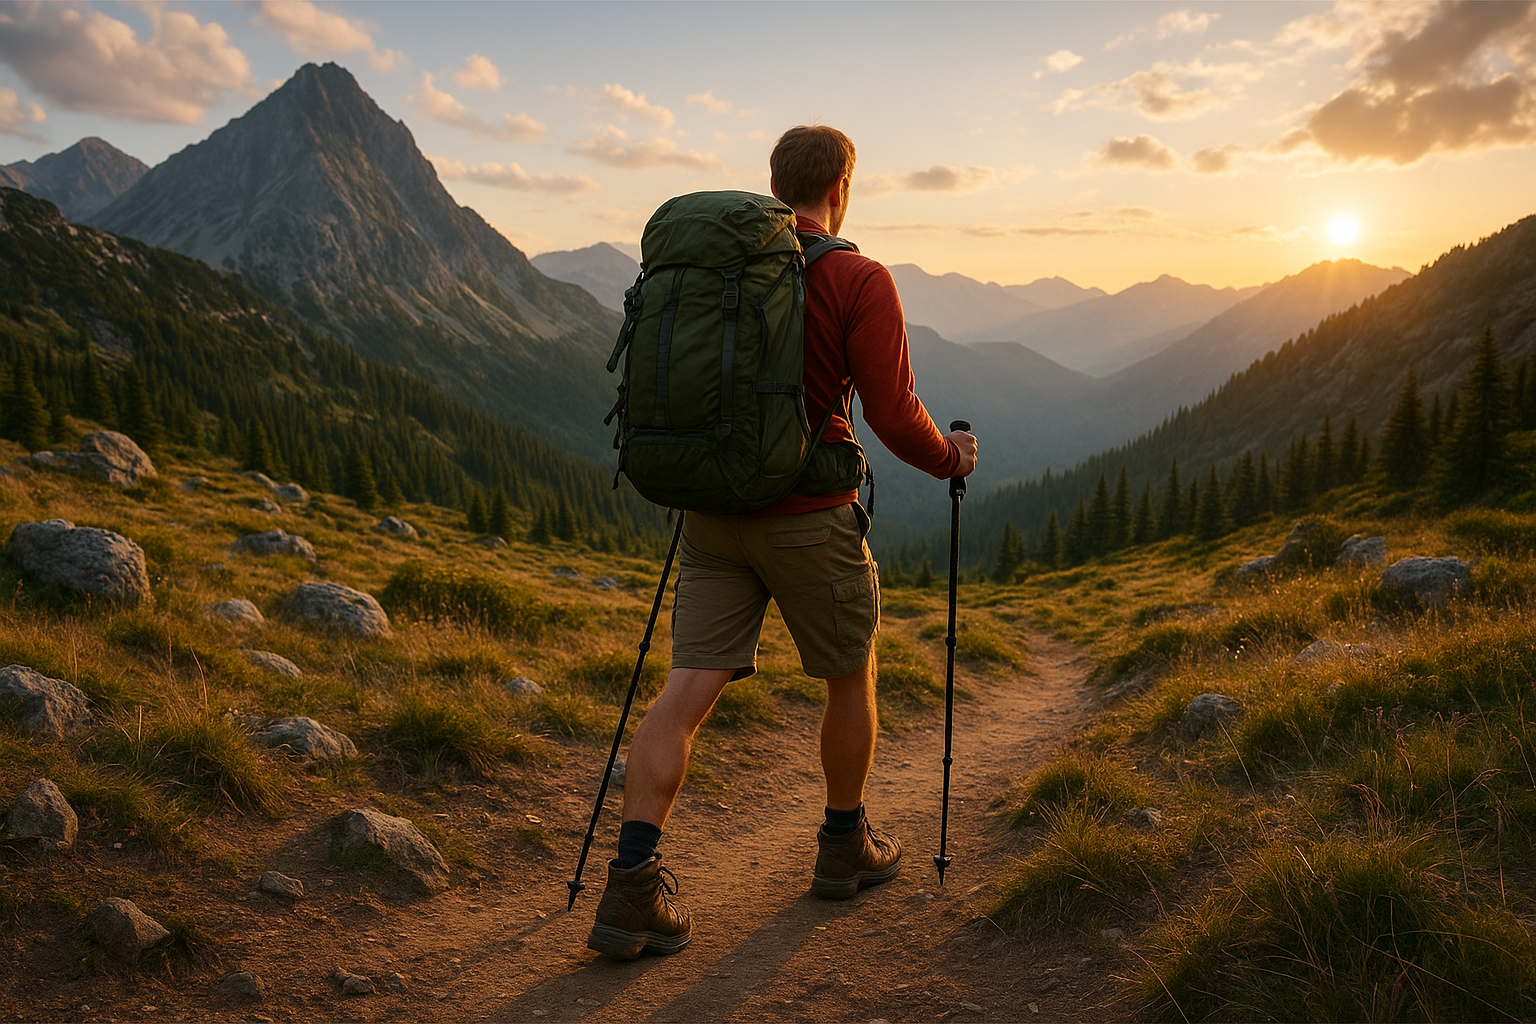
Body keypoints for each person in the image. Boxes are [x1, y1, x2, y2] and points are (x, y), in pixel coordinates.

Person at [586, 125, 979, 960]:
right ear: (842, 185)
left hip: (713, 512)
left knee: (687, 689)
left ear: (772, 184)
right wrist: (951, 458)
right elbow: (891, 412)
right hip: (809, 515)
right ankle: (843, 845)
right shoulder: (858, 275)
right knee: (850, 672)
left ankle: (630, 886)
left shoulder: (722, 269)